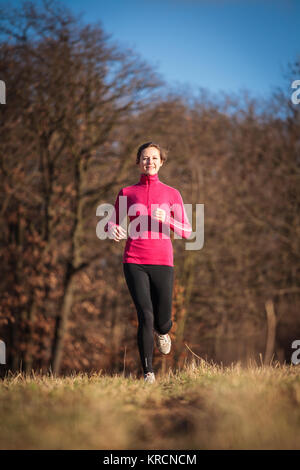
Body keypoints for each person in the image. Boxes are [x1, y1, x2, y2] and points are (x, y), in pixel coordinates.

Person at [105, 142, 192, 383]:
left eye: (154, 158)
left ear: (161, 162)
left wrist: (170, 222)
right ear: (138, 162)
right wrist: (113, 230)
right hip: (134, 260)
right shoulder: (127, 193)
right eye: (145, 158)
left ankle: (163, 333)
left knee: (162, 321)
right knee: (145, 315)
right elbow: (109, 223)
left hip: (163, 262)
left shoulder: (172, 194)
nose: (149, 162)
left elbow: (188, 231)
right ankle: (148, 373)